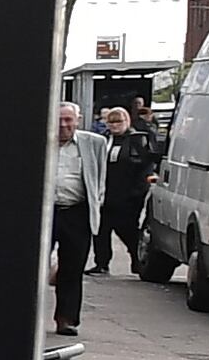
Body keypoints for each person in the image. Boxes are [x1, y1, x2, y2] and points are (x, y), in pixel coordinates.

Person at [49, 101, 107, 329]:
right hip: (46, 212)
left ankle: (66, 319)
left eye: (68, 120)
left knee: (72, 268)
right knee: (35, 265)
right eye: (59, 119)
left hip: (76, 211)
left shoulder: (94, 143)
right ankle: (29, 316)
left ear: (77, 120)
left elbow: (100, 178)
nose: (63, 125)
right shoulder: (42, 141)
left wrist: (96, 205)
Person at [94, 101, 158, 274]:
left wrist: (137, 191)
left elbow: (146, 165)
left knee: (127, 230)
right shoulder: (104, 140)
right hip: (105, 193)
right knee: (101, 230)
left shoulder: (137, 139)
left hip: (128, 193)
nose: (115, 126)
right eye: (111, 122)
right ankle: (101, 263)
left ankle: (136, 259)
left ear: (127, 122)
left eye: (118, 122)